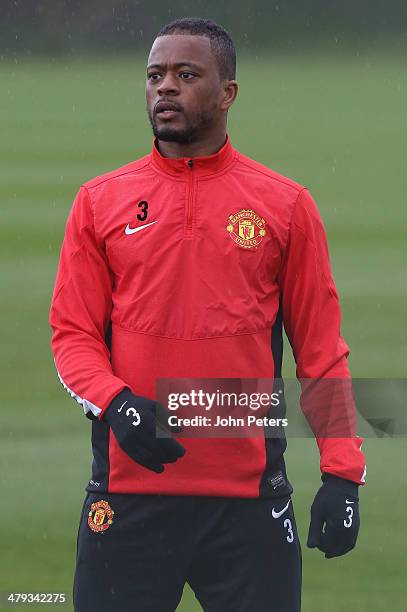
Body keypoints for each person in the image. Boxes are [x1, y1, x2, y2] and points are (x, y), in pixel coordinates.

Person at [49, 17, 366, 612]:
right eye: (154, 75)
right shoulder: (98, 203)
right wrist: (118, 405)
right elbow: (72, 336)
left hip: (248, 505)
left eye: (185, 75)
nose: (164, 88)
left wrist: (342, 473)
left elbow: (321, 351)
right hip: (129, 498)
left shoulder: (286, 206)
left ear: (228, 93)